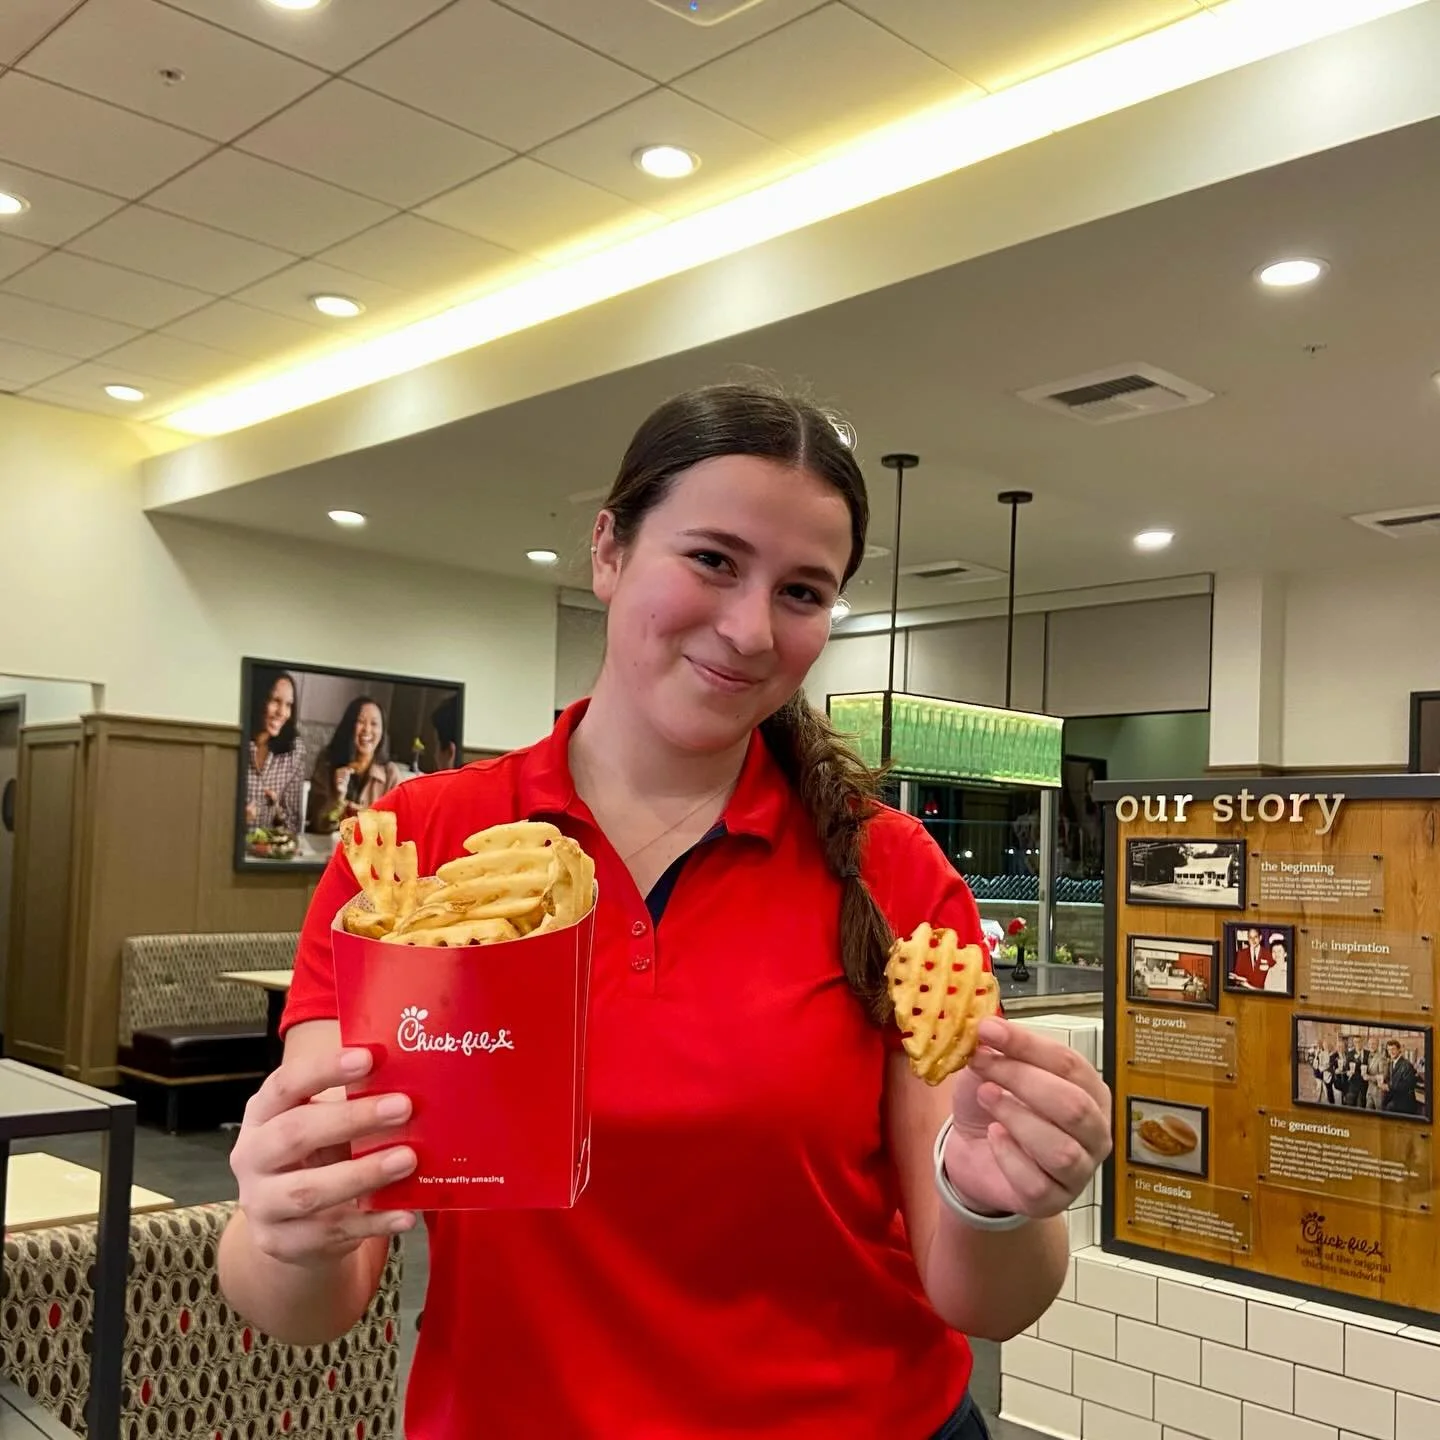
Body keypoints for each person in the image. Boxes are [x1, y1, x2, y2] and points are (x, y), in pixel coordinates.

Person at [218, 383, 1113, 1439]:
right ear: (608, 550)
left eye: (803, 591)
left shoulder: (892, 872)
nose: (748, 628)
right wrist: (282, 1226)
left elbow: (988, 1302)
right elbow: (314, 1302)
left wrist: (998, 1199)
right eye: (713, 560)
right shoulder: (416, 855)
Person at [305, 696, 403, 834]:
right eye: (360, 722)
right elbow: (316, 823)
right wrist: (338, 798)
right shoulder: (327, 762)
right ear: (349, 726)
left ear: (382, 732)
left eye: (374, 724)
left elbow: (400, 828)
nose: (367, 729)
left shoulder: (391, 774)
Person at [243, 669, 305, 835]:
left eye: (288, 705)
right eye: (275, 701)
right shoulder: (238, 743)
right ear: (259, 699)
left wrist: (277, 811)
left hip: (270, 849)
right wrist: (240, 820)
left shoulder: (294, 751)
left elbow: (293, 825)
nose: (282, 713)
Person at [1381, 1039, 1421, 1115]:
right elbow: (1391, 1079)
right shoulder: (1391, 1063)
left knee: (1388, 1108)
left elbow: (1408, 1085)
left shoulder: (1406, 1064)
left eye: (1393, 1049)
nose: (1391, 1052)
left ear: (1399, 1049)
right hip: (1395, 1098)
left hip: (1404, 1102)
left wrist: (1388, 1086)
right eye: (1389, 1050)